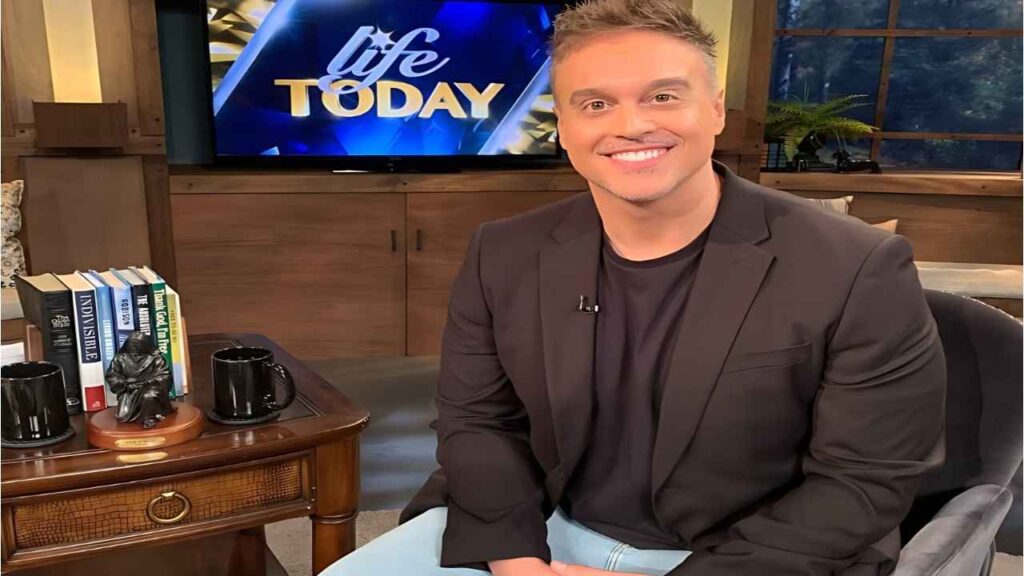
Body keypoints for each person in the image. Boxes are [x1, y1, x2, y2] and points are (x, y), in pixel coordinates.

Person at [324, 0, 945, 574]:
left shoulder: (856, 266)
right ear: (563, 125)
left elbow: (862, 482)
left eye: (663, 96)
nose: (631, 125)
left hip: (748, 556)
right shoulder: (503, 253)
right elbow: (479, 423)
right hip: (538, 529)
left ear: (715, 109)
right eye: (595, 104)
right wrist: (517, 561)